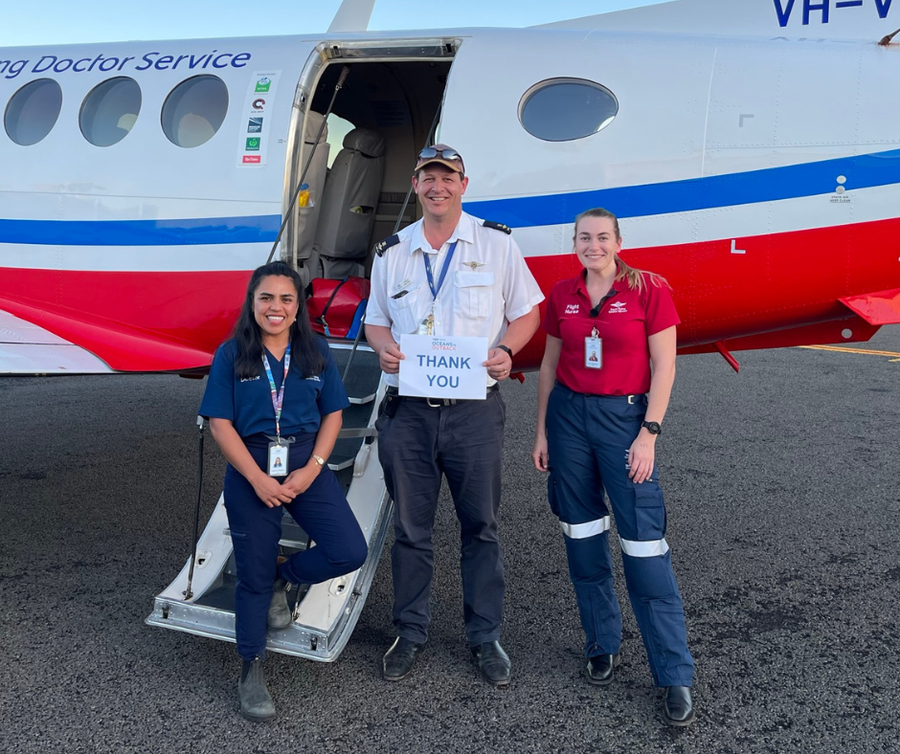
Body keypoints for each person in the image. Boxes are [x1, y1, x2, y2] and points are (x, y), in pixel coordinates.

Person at [365, 144, 543, 687]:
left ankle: (485, 636)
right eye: (428, 178)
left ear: (464, 183)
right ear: (416, 185)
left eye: (447, 177)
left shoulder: (496, 245)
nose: (437, 186)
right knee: (412, 531)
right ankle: (410, 633)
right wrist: (383, 348)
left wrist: (508, 351)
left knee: (481, 529)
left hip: (473, 415)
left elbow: (527, 312)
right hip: (410, 415)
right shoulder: (391, 251)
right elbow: (376, 320)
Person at [531, 208, 696, 726]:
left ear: (619, 241)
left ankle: (673, 674)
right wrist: (541, 430)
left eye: (603, 237)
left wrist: (649, 432)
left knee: (644, 544)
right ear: (574, 243)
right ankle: (602, 641)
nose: (593, 245)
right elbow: (550, 367)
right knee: (580, 535)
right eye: (585, 237)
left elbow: (665, 364)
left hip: (625, 419)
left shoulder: (649, 288)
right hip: (568, 418)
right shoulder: (563, 294)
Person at [199, 261, 367, 722]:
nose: (276, 307)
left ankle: (285, 576)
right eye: (266, 298)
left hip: (306, 468)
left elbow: (334, 412)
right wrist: (256, 478)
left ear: (298, 308)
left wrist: (314, 467)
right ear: (253, 303)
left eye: (286, 299)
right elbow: (220, 423)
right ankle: (250, 668)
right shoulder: (232, 355)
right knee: (251, 575)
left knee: (349, 550)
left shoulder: (315, 354)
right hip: (252, 470)